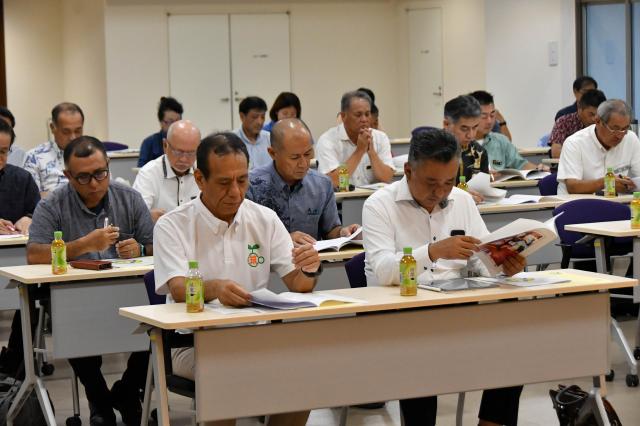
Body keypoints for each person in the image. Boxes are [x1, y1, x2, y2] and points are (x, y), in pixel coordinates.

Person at [154, 131, 320, 426]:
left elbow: (299, 283)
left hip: (258, 338)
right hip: (194, 343)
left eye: (242, 180)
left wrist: (309, 268)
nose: (235, 192)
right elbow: (178, 289)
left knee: (307, 373)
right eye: (224, 183)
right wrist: (215, 288)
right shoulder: (173, 225)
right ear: (200, 179)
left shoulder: (264, 218)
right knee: (225, 372)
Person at [362, 128, 525, 426]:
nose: (440, 192)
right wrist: (433, 252)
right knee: (420, 359)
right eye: (431, 183)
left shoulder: (462, 201)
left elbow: (483, 258)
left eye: (449, 182)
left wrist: (504, 264)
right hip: (403, 318)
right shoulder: (379, 205)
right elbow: (383, 270)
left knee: (513, 350)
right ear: (408, 171)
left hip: (460, 311)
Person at [27, 136, 154, 426]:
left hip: (129, 291)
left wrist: (139, 249)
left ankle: (127, 389)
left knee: (159, 327)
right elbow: (34, 254)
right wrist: (82, 245)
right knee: (74, 324)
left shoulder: (129, 197)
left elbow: (154, 245)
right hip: (74, 296)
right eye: (83, 177)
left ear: (108, 166)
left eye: (100, 173)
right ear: (68, 175)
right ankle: (99, 398)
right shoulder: (53, 204)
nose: (95, 183)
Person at [247, 118, 359, 246]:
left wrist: (344, 233)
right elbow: (243, 235)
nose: (303, 163)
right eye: (294, 157)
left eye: (307, 154)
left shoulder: (322, 185)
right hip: (265, 257)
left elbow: (330, 230)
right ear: (272, 153)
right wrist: (284, 239)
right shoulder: (251, 185)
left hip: (310, 258)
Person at [0, 119, 40, 377]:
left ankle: (15, 365)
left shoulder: (21, 178)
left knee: (31, 298)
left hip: (17, 260)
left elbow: (40, 213)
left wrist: (29, 218)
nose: (0, 158)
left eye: (4, 151)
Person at [557, 99, 640, 195]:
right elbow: (572, 187)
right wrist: (606, 182)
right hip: (578, 203)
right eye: (614, 129)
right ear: (597, 121)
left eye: (625, 128)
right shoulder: (574, 143)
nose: (620, 135)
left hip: (617, 202)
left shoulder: (631, 138)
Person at [316, 90, 394, 187]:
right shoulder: (327, 140)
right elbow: (334, 182)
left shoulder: (380, 137)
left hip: (375, 196)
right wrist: (359, 151)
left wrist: (372, 152)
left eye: (367, 114)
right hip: (342, 197)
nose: (364, 120)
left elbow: (387, 178)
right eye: (358, 115)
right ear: (343, 116)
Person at [133, 120, 201, 222]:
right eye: (178, 152)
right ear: (165, 145)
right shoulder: (148, 173)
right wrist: (147, 217)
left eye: (191, 153)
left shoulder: (204, 171)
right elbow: (135, 216)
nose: (184, 159)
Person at [470, 90, 543, 172]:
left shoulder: (501, 140)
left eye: (492, 115)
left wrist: (539, 169)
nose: (489, 121)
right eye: (484, 116)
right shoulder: (462, 143)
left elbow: (521, 164)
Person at [24, 102, 84, 196]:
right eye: (66, 132)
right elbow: (31, 198)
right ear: (52, 127)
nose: (73, 137)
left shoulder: (93, 154)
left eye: (78, 131)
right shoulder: (34, 157)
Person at [442, 95, 487, 203]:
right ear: (446, 124)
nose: (471, 135)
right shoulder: (431, 151)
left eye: (475, 127)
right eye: (464, 128)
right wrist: (460, 195)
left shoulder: (479, 152)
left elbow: (483, 192)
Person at [549, 89, 606, 158]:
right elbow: (556, 153)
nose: (594, 119)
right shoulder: (564, 122)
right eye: (591, 114)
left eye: (598, 114)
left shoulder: (605, 124)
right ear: (580, 108)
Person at [138, 96, 183, 167]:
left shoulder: (187, 142)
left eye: (177, 121)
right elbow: (141, 169)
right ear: (161, 122)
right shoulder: (149, 143)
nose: (174, 126)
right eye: (170, 122)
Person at [234, 96, 272, 169]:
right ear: (242, 116)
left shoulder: (270, 138)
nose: (259, 122)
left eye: (263, 117)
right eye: (254, 117)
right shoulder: (232, 140)